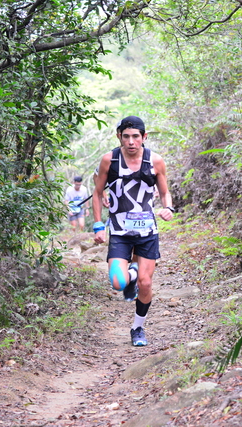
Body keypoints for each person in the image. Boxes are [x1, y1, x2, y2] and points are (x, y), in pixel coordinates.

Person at [92, 116, 175, 347]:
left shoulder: (155, 161)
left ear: (144, 137)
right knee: (118, 282)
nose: (131, 141)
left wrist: (168, 208)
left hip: (147, 232)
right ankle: (132, 273)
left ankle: (138, 327)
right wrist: (98, 225)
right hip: (119, 231)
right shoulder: (109, 160)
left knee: (146, 284)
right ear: (119, 136)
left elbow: (165, 192)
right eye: (126, 136)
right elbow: (97, 192)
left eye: (136, 137)